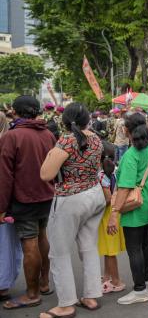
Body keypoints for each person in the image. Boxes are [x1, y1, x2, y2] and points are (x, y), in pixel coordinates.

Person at [39, 102, 106, 318]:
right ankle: (91, 295)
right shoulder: (96, 138)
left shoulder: (66, 140)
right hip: (94, 194)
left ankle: (66, 304)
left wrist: (52, 153)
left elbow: (45, 174)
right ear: (87, 119)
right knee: (88, 246)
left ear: (65, 121)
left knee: (59, 252)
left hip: (70, 198)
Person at [0, 96, 56, 310]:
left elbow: (4, 177)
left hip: (24, 198)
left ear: (15, 111)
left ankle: (32, 293)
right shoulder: (48, 134)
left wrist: (1, 207)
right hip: (46, 195)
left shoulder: (11, 137)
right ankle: (43, 283)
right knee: (42, 236)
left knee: (30, 242)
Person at [109, 112, 148, 305]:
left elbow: (124, 188)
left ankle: (140, 290)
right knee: (145, 244)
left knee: (134, 248)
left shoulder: (130, 155)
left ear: (127, 130)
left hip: (133, 207)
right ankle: (147, 281)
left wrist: (115, 213)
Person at [94, 123, 126, 295]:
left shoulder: (101, 175)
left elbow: (107, 199)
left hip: (108, 215)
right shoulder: (115, 171)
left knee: (110, 251)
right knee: (107, 250)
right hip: (115, 213)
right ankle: (107, 277)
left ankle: (116, 281)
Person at [0, 112, 23, 303]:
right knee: (7, 245)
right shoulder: (9, 140)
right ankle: (4, 284)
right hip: (9, 202)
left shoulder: (8, 142)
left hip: (5, 202)